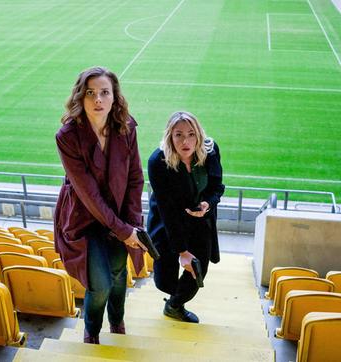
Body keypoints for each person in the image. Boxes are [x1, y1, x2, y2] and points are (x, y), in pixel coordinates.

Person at [54, 66, 147, 344]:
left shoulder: (126, 126)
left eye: (104, 93)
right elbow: (89, 195)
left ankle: (117, 321)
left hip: (119, 216)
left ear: (114, 97)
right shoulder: (68, 136)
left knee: (119, 274)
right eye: (91, 93)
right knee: (101, 284)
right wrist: (124, 231)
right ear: (80, 98)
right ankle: (91, 331)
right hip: (84, 219)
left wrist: (132, 223)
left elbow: (135, 177)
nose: (98, 100)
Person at [147, 110, 225, 323]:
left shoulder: (210, 150)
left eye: (191, 134)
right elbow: (167, 209)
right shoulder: (158, 161)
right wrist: (182, 251)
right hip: (168, 220)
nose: (185, 141)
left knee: (197, 272)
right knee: (164, 280)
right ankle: (171, 293)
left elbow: (217, 186)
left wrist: (207, 204)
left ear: (199, 135)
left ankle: (174, 306)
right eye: (178, 134)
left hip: (200, 221)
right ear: (170, 136)